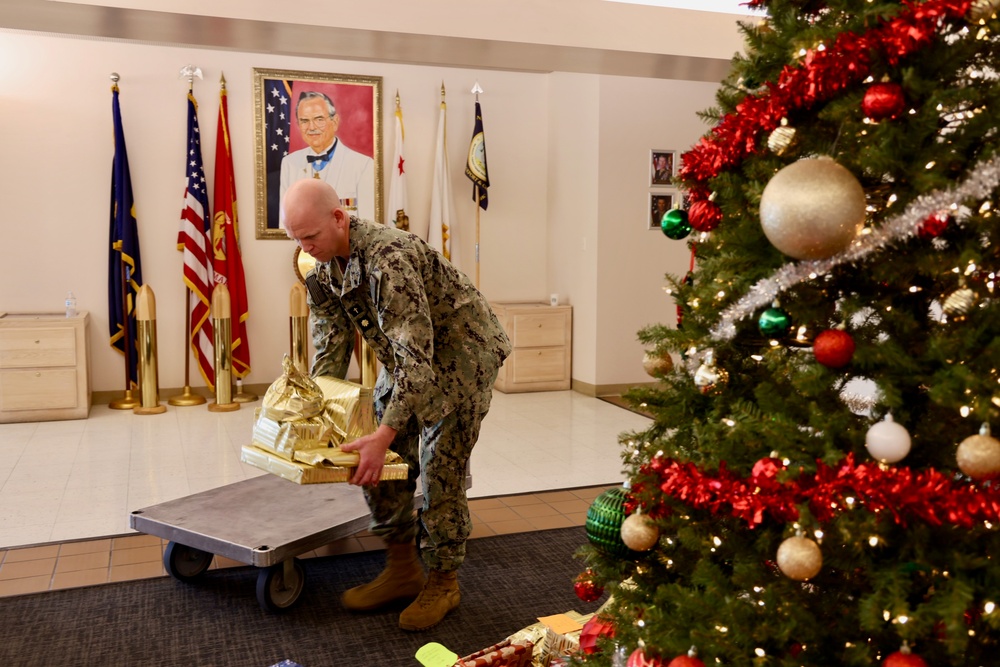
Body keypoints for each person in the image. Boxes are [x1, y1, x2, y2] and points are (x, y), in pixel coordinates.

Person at [282, 178, 512, 631]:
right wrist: (317, 413)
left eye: (311, 236)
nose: (305, 247)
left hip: (461, 355)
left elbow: (419, 362)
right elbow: (330, 341)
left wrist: (385, 430)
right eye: (296, 238)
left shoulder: (390, 258)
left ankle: (444, 580)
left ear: (338, 217)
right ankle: (402, 569)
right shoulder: (319, 262)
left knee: (439, 466)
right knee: (379, 460)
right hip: (407, 357)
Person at [280, 91, 375, 222]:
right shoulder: (289, 163)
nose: (312, 127)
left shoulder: (363, 165)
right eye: (304, 121)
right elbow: (285, 223)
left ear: (334, 122)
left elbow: (367, 225)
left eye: (319, 119)